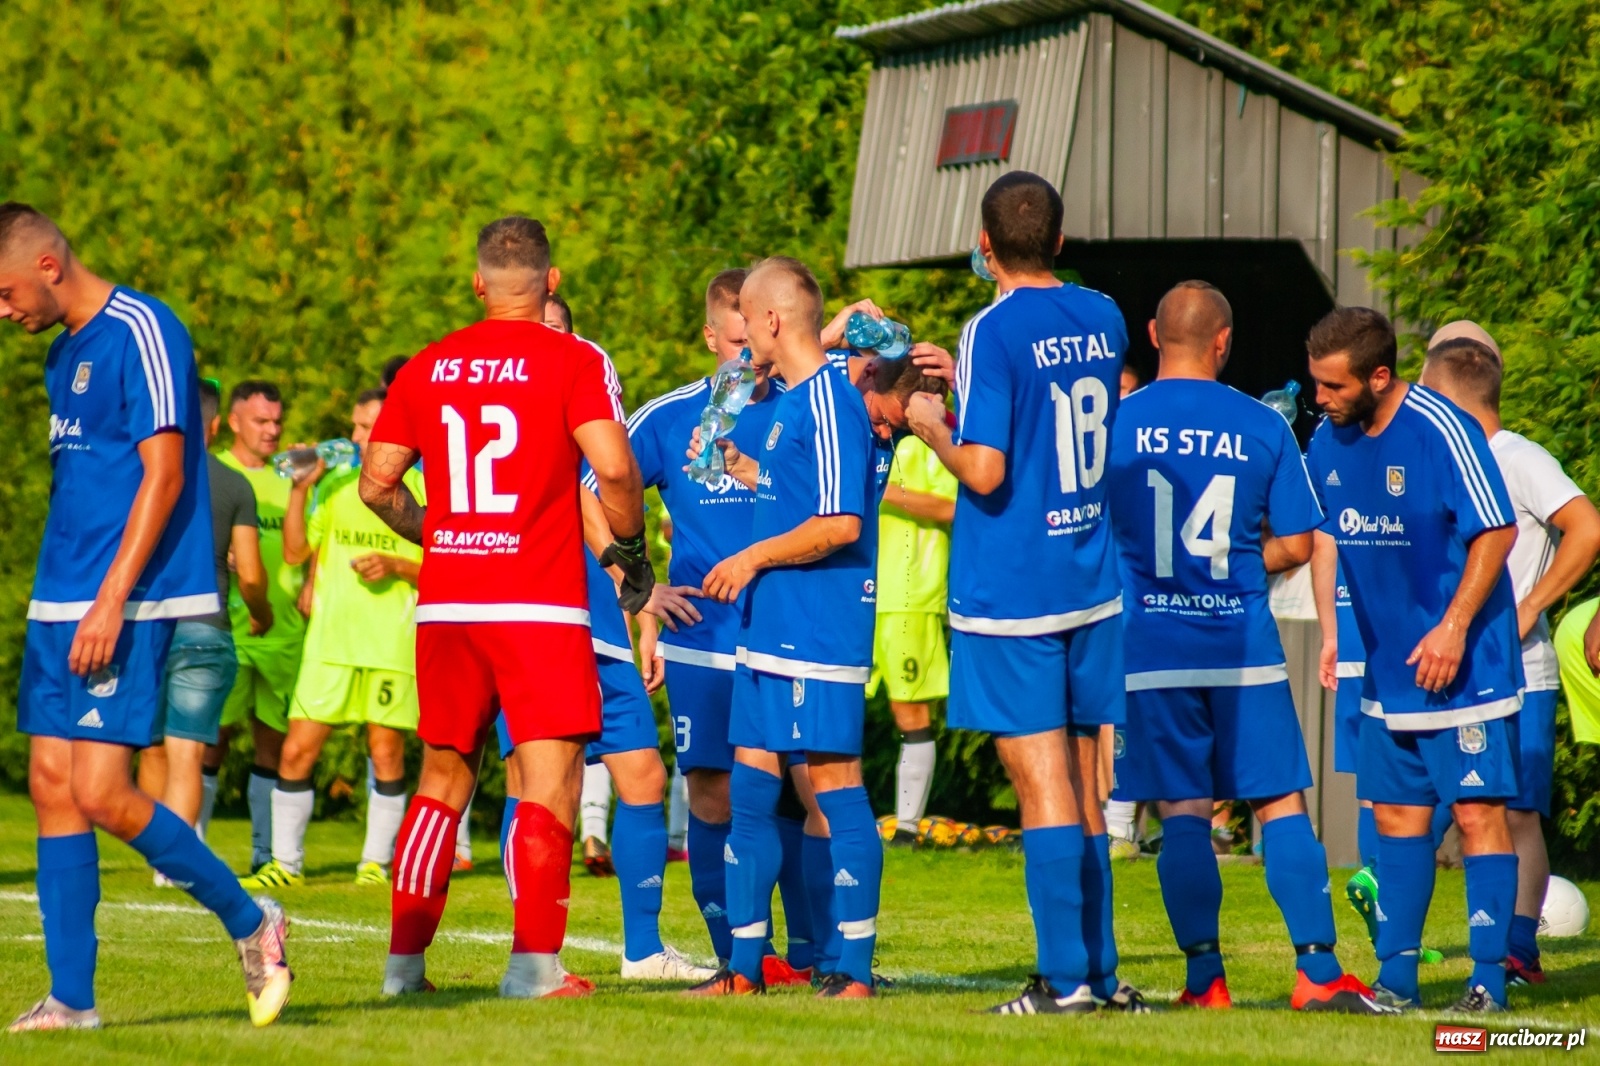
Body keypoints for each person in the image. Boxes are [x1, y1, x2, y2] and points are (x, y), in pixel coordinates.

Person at [0, 202, 291, 1031]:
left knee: (102, 790)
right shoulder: (62, 355)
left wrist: (112, 597)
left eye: (5, 290)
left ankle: (251, 920)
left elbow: (166, 476)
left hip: (127, 599)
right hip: (61, 596)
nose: (4, 309)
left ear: (47, 265)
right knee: (52, 787)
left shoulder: (145, 328)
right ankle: (72, 1000)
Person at [361, 215, 651, 1000]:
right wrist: (630, 550)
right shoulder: (569, 358)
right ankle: (532, 969)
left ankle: (401, 971)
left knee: (441, 779)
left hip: (449, 602)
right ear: (551, 282)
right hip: (539, 605)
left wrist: (447, 534)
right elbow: (617, 470)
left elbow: (375, 482)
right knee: (551, 777)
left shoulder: (427, 365)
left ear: (478, 285)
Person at [1106, 281, 1387, 1013]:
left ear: (1153, 334)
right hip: (1240, 644)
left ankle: (1206, 981)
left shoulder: (1115, 424)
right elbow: (1297, 542)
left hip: (1150, 646)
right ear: (1224, 342)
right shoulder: (1261, 427)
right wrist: (1231, 562)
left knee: (1183, 812)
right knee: (1279, 803)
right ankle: (1318, 973)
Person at [903, 171, 1137, 1015]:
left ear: (986, 245)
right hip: (1089, 575)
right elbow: (1051, 411)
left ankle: (1065, 980)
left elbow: (990, 469)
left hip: (1016, 588)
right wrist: (967, 385)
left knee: (1039, 784)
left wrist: (932, 425)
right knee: (1082, 783)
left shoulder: (988, 329)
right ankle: (1104, 975)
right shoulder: (1104, 314)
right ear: (1063, 242)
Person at [1304, 306, 1523, 1013]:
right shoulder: (1326, 439)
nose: (1321, 399)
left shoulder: (1443, 430)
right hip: (1387, 676)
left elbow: (1498, 529)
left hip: (1465, 670)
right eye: (1316, 385)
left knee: (1475, 815)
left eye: (1334, 387)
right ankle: (1395, 982)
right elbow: (1306, 529)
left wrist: (1454, 627)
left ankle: (1488, 982)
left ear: (1378, 375)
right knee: (1397, 819)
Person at [683, 257, 888, 999]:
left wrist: (748, 556)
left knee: (834, 787)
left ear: (772, 320)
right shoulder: (793, 402)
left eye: (748, 316)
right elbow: (801, 493)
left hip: (818, 625)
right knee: (748, 791)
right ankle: (742, 971)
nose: (743, 335)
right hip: (770, 627)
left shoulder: (830, 400)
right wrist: (746, 472)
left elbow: (839, 522)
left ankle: (854, 971)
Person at [624, 268, 817, 983]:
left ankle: (811, 951)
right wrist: (641, 591)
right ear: (712, 337)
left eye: (757, 342)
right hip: (705, 638)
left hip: (790, 626)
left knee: (801, 785)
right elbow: (597, 492)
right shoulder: (672, 418)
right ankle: (739, 953)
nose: (750, 360)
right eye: (735, 343)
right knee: (711, 789)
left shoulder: (803, 408)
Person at [1419, 333, 1600, 985]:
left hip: (1521, 669)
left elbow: (1587, 527)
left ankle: (1520, 948)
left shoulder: (1517, 458)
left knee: (1516, 810)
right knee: (1451, 807)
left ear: (1450, 401)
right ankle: (1431, 945)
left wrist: (1529, 609)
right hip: (1453, 671)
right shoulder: (1441, 464)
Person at [240, 387, 428, 889]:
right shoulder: (340, 486)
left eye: (367, 428)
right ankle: (286, 864)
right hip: (331, 643)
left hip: (390, 643)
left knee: (386, 752)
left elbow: (447, 566)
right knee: (297, 749)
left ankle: (374, 864)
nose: (355, 437)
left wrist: (398, 565)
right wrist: (301, 489)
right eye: (356, 426)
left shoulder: (427, 493)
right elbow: (298, 551)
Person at [137, 378, 273, 868]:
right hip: (206, 626)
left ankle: (157, 860)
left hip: (144, 625)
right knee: (187, 752)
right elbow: (252, 574)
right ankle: (176, 865)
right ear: (215, 424)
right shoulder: (235, 485)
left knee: (150, 747)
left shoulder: (137, 472)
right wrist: (262, 614)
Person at [212, 380, 308, 873]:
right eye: (260, 421)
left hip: (282, 631)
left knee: (273, 742)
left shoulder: (292, 478)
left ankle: (264, 853)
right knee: (212, 738)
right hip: (224, 627)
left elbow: (307, 546)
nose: (271, 431)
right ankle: (185, 854)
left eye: (276, 422)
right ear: (233, 422)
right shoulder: (214, 475)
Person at [870, 414, 956, 847]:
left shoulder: (934, 442)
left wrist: (885, 489)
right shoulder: (858, 436)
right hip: (855, 594)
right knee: (831, 708)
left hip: (910, 595)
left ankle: (906, 829)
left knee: (911, 713)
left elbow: (951, 506)